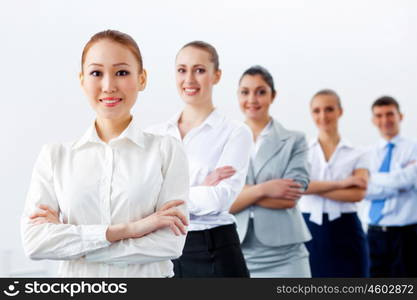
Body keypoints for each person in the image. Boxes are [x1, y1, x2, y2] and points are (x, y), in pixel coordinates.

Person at [21, 30, 189, 277]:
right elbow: (35, 242)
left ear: (142, 79)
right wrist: (131, 229)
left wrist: (74, 244)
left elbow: (168, 244)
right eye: (96, 73)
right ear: (82, 80)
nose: (109, 86)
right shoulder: (55, 156)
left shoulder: (167, 151)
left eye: (121, 72)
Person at [147, 41, 252, 277]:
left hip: (213, 247)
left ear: (217, 75)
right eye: (182, 70)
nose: (189, 79)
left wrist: (164, 199)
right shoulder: (155, 135)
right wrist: (198, 189)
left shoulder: (235, 132)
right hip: (162, 251)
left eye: (200, 70)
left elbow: (219, 199)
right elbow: (138, 199)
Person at [230, 66, 312, 278]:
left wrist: (242, 192)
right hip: (237, 250)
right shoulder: (224, 141)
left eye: (261, 91)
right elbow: (222, 202)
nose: (252, 99)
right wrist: (266, 189)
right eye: (245, 92)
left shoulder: (295, 140)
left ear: (272, 96)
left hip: (287, 254)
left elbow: (290, 197)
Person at [298, 89, 370, 277]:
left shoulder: (358, 152)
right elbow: (298, 186)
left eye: (329, 109)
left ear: (340, 111)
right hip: (309, 230)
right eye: (317, 110)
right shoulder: (302, 151)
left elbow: (358, 194)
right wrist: (342, 183)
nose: (323, 116)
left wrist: (313, 187)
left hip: (347, 230)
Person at [365, 96, 417, 277]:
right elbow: (364, 190)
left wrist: (372, 177)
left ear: (400, 116)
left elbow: (406, 180)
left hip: (406, 236)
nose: (385, 120)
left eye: (389, 114)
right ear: (373, 120)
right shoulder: (367, 154)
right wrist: (397, 181)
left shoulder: (414, 149)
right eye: (379, 115)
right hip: (374, 234)